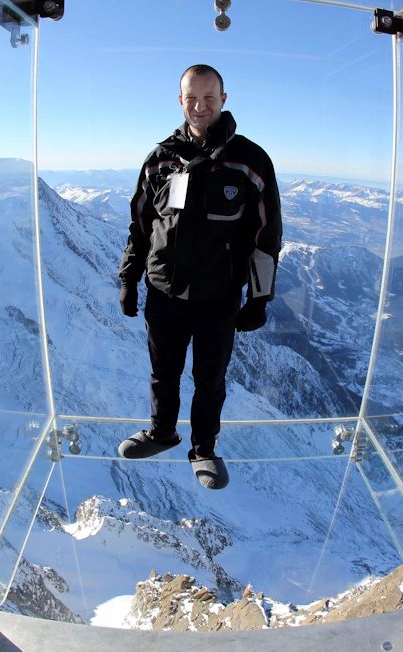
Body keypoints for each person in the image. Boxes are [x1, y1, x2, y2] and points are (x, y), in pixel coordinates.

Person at [117, 64, 282, 490]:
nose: (200, 106)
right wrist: (128, 278)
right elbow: (140, 224)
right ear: (180, 101)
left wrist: (260, 298)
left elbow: (267, 235)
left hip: (217, 296)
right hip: (163, 291)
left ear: (224, 100)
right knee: (163, 372)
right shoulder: (160, 160)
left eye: (209, 98)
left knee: (209, 380)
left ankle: (204, 449)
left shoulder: (250, 161)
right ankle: (162, 432)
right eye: (192, 98)